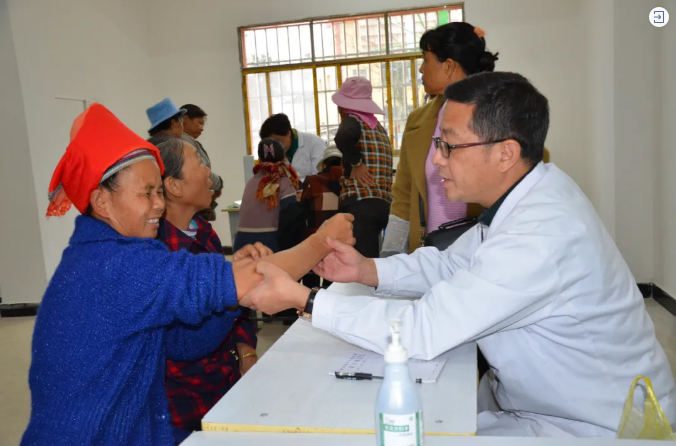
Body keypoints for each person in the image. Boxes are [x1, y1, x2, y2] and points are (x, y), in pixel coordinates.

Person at [243, 72, 676, 437]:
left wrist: (306, 299)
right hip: (541, 403)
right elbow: (451, 263)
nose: (436, 161)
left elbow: (424, 329)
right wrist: (367, 269)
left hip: (597, 424)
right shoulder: (525, 196)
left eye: (449, 145)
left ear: (505, 153)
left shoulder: (542, 232)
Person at [22, 104, 355, 446]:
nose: (158, 204)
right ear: (102, 202)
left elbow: (182, 343)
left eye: (158, 192)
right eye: (146, 193)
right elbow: (252, 279)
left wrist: (231, 289)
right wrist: (320, 243)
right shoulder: (113, 265)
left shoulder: (115, 253)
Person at [154, 137, 260, 444]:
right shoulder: (157, 249)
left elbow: (236, 309)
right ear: (173, 186)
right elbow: (183, 339)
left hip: (224, 380)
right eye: (200, 165)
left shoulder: (205, 233)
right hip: (184, 397)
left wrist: (246, 352)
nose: (209, 174)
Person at [332, 76, 393, 258]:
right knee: (372, 258)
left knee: (360, 260)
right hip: (382, 203)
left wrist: (357, 163)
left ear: (343, 105)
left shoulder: (352, 121)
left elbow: (342, 137)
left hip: (360, 203)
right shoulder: (378, 127)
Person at [233, 137, 302, 254]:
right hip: (269, 246)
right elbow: (291, 221)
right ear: (284, 158)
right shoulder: (285, 182)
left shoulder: (251, 182)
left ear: (259, 160)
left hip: (242, 245)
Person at [299, 145, 344, 288]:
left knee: (311, 276)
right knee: (333, 282)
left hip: (315, 237)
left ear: (324, 164)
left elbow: (303, 208)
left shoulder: (312, 181)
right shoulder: (348, 183)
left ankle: (310, 299)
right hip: (339, 240)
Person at [180, 103, 223, 221]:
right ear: (185, 119)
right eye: (199, 123)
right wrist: (219, 183)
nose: (202, 128)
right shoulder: (184, 142)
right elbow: (200, 170)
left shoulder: (188, 141)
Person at [259, 113, 326, 181]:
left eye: (277, 141)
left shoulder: (315, 143)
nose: (275, 146)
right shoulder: (272, 153)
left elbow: (320, 177)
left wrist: (296, 183)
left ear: (288, 133)